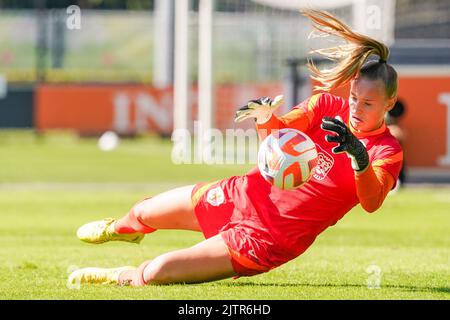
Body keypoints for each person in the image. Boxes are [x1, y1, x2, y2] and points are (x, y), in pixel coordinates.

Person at [68, 10, 403, 287]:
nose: (356, 107)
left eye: (368, 103)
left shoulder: (387, 150)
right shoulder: (326, 104)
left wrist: (358, 156)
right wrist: (265, 118)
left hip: (269, 238)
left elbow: (371, 202)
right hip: (242, 195)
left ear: (389, 102)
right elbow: (277, 139)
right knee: (144, 213)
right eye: (354, 97)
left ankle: (120, 277)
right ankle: (123, 229)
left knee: (157, 273)